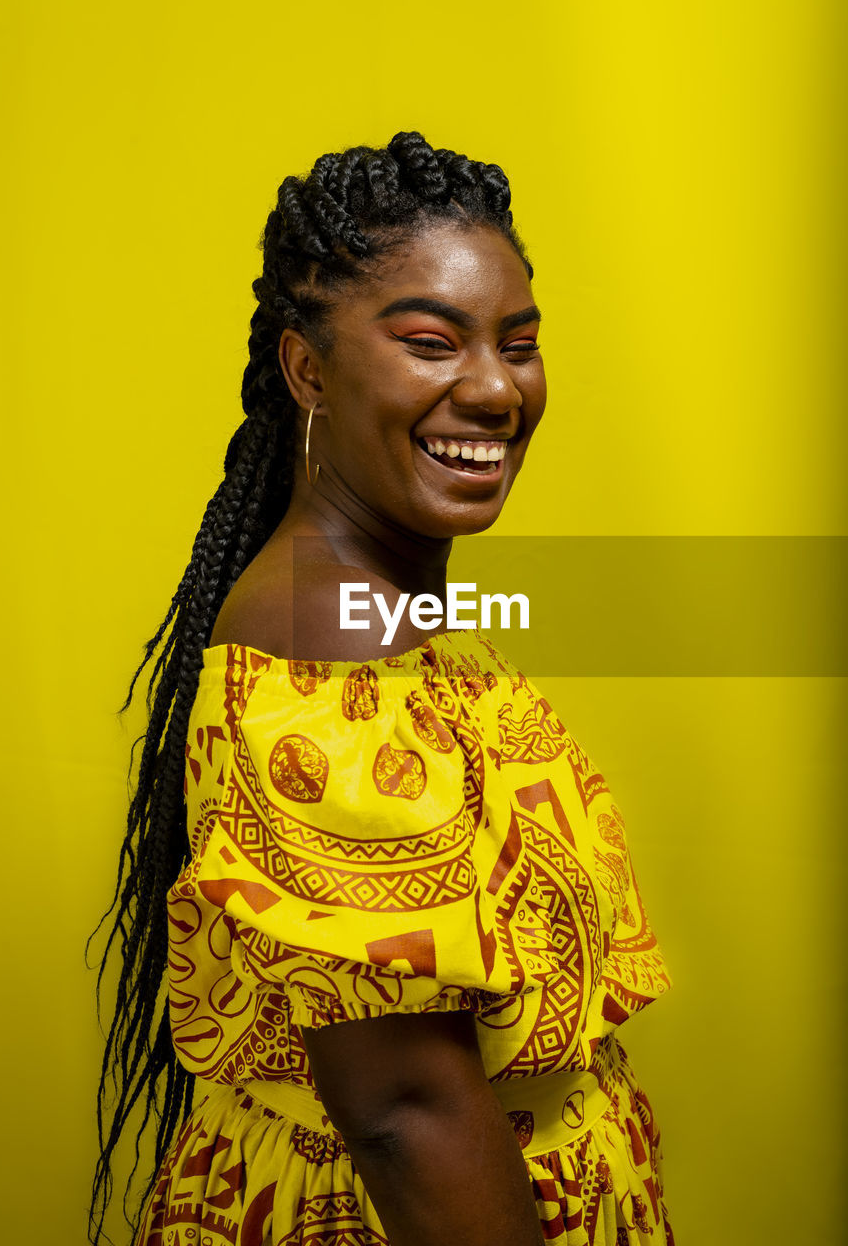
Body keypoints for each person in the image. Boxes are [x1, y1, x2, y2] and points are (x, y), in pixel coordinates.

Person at [90, 131, 674, 1246]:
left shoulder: (378, 604)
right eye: (429, 341)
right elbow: (407, 1112)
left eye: (519, 342)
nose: (496, 387)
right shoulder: (323, 640)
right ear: (307, 369)